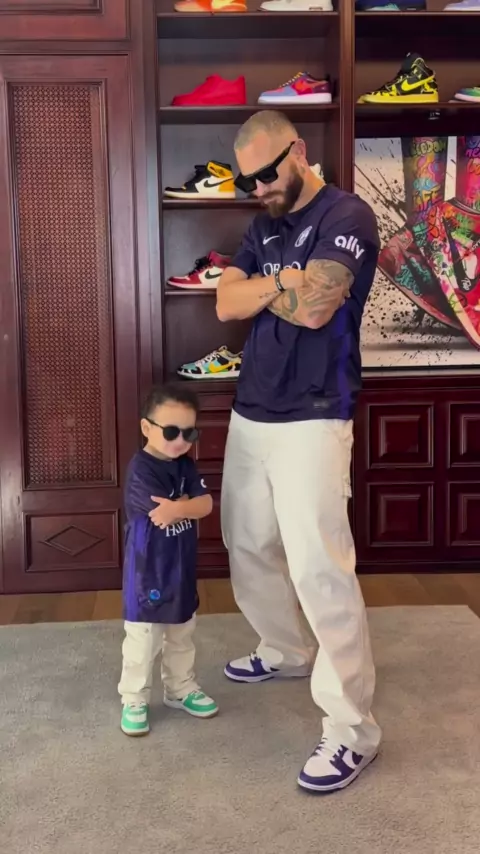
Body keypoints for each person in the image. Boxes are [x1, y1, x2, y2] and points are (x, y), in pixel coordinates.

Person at [216, 110, 382, 793]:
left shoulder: (348, 214)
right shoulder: (263, 228)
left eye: (266, 173)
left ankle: (352, 730)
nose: (258, 188)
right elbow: (225, 303)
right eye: (246, 180)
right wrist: (284, 282)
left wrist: (273, 289)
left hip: (316, 413)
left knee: (320, 569)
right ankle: (285, 648)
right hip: (252, 409)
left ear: (299, 151)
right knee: (247, 541)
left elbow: (317, 307)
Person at [118, 383, 218, 736]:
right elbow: (160, 514)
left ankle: (179, 687)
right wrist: (183, 505)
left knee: (181, 633)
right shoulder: (141, 470)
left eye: (189, 433)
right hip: (148, 572)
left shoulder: (186, 465)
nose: (180, 441)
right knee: (143, 639)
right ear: (147, 428)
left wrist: (181, 507)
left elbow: (205, 505)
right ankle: (134, 697)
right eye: (172, 431)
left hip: (180, 567)